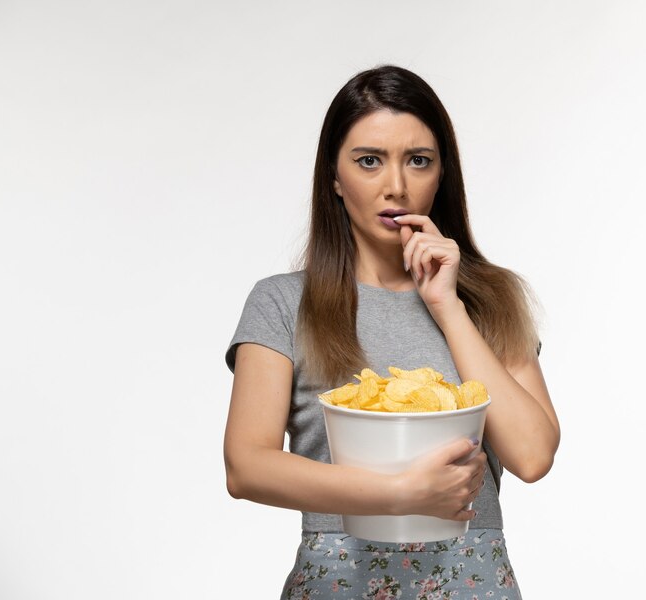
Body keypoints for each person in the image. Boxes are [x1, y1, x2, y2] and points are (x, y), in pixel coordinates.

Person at [223, 65, 560, 598]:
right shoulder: (283, 302)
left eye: (418, 161)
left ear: (442, 173)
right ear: (334, 176)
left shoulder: (491, 299)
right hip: (338, 581)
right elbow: (246, 466)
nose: (395, 186)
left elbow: (532, 455)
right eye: (369, 162)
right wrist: (401, 492)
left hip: (471, 580)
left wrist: (448, 306)